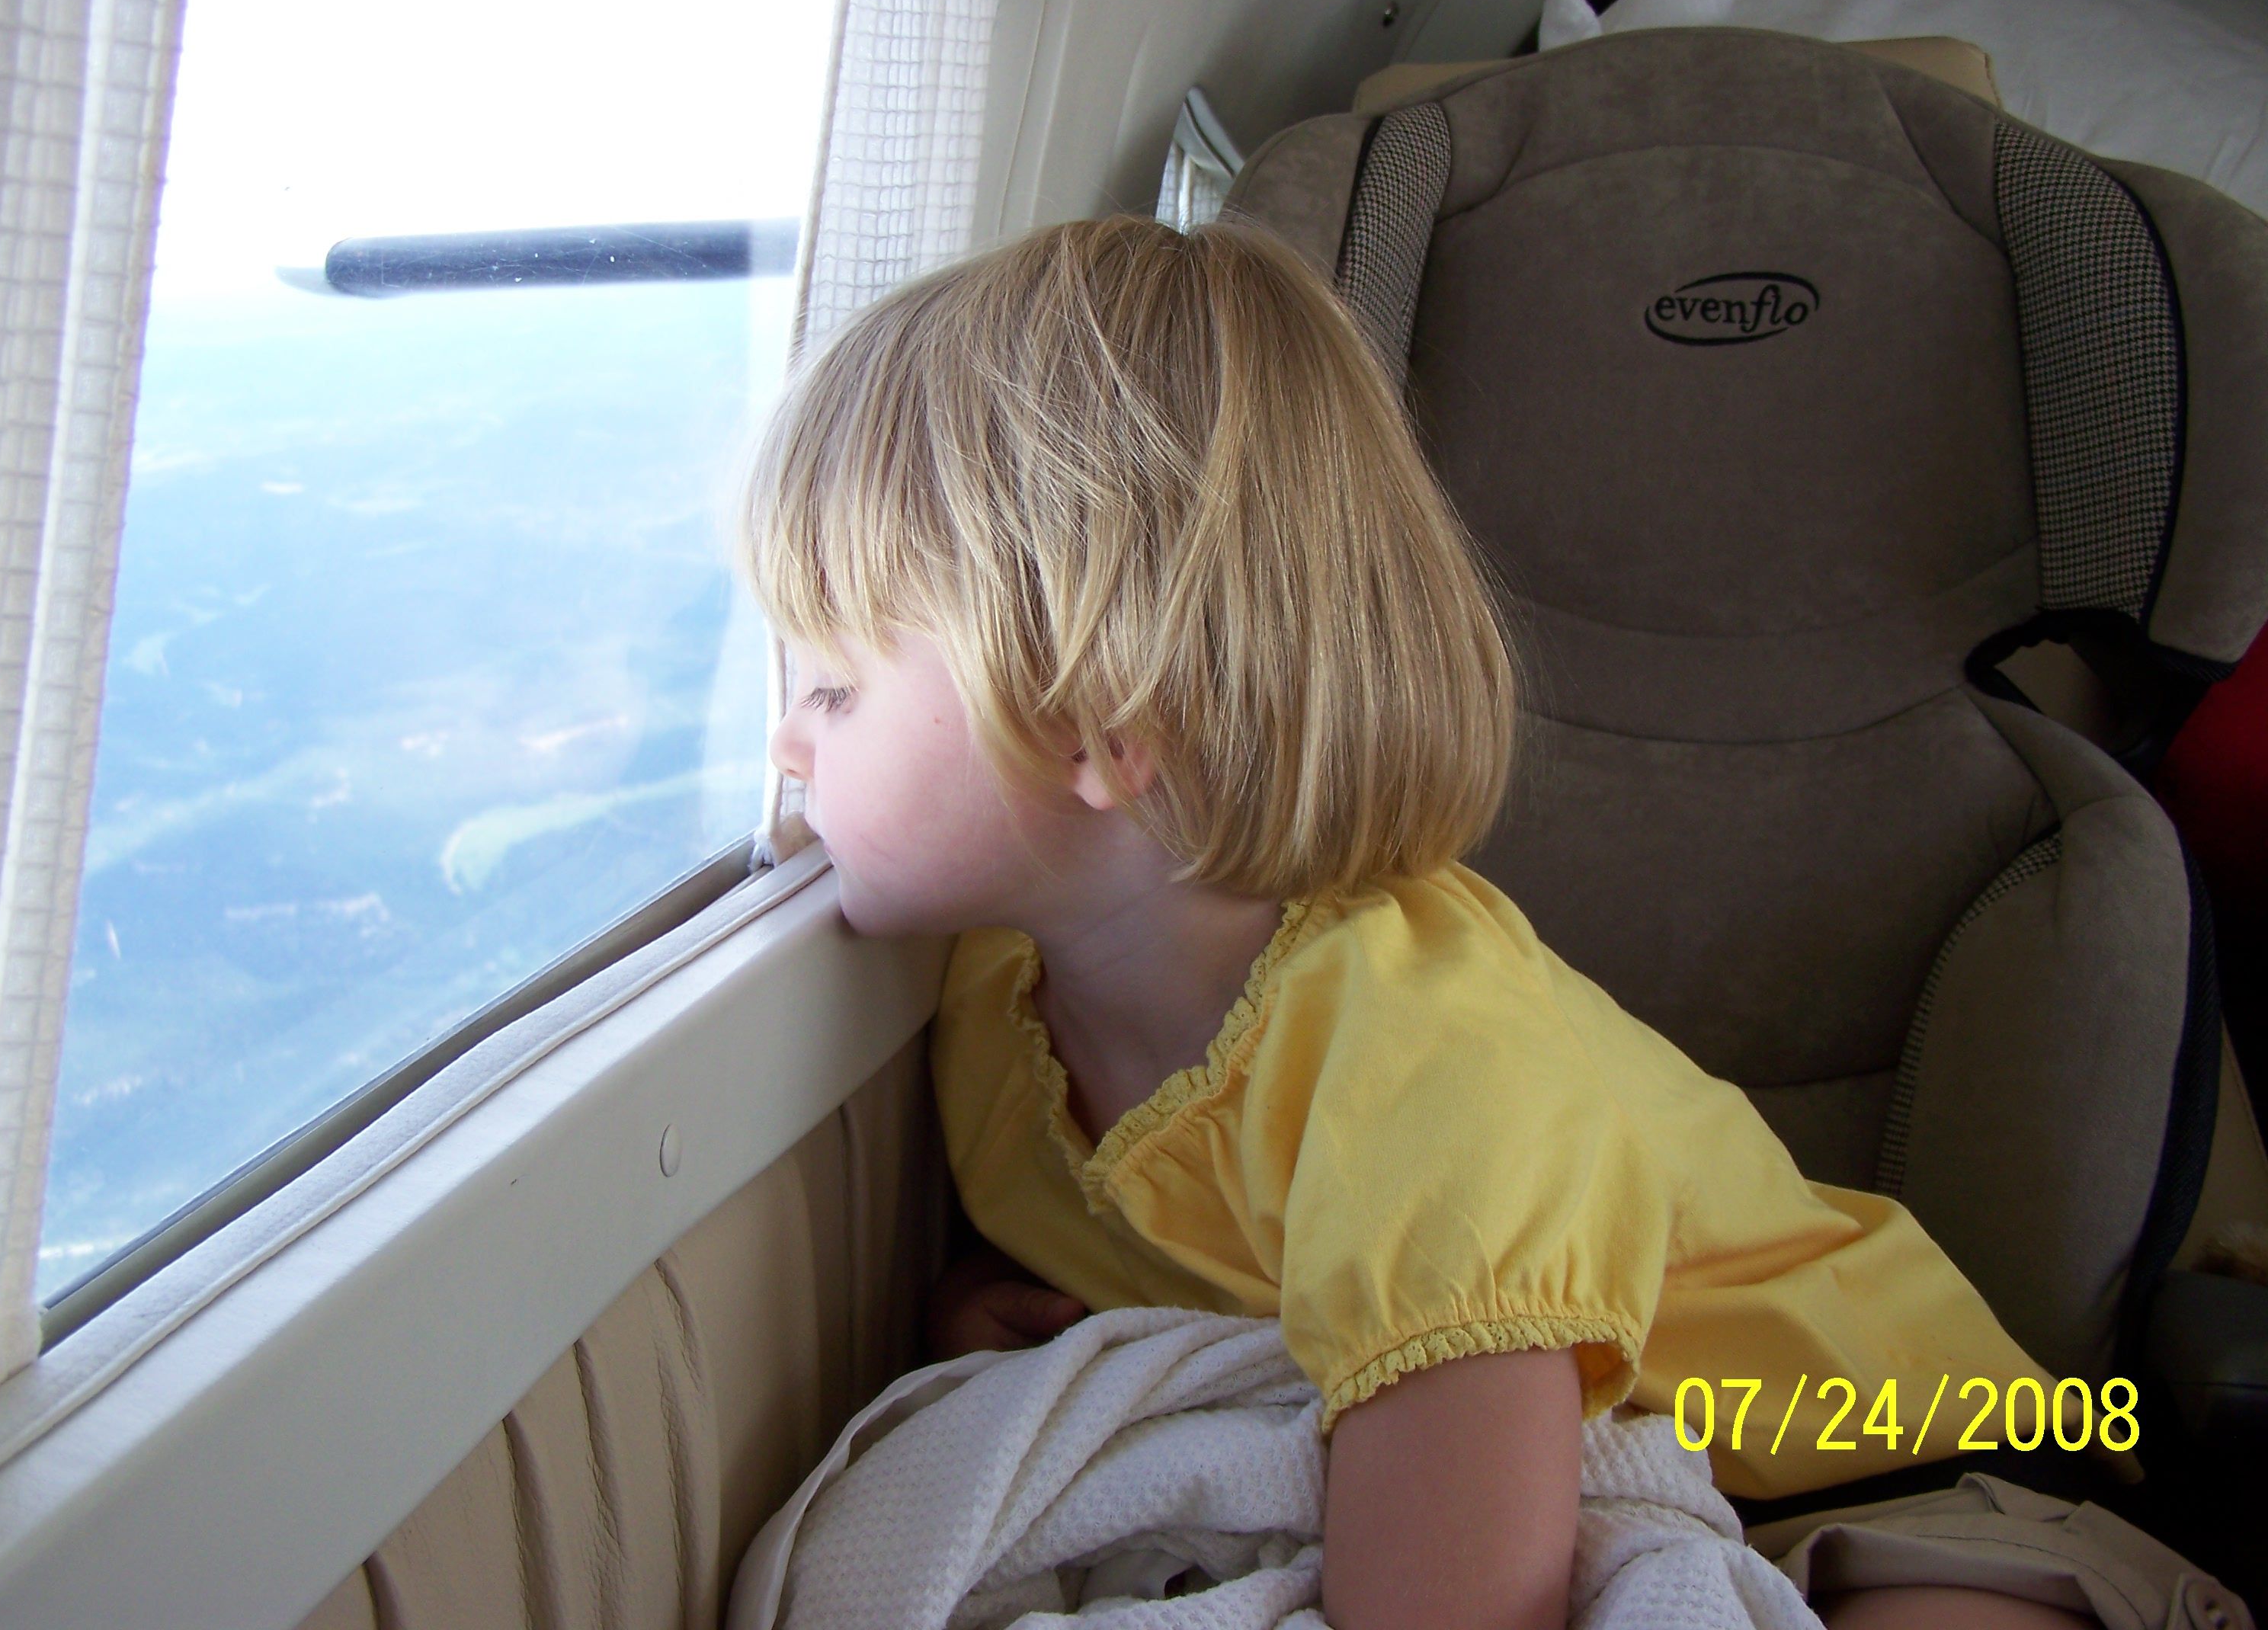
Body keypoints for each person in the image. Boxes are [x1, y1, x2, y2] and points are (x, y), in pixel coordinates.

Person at [740, 216, 2230, 1630]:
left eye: (835, 689)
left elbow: (1445, 1613)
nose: (791, 749)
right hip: (1575, 1465)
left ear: (1099, 720)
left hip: (1909, 1456)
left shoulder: (1421, 1061)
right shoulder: (996, 991)